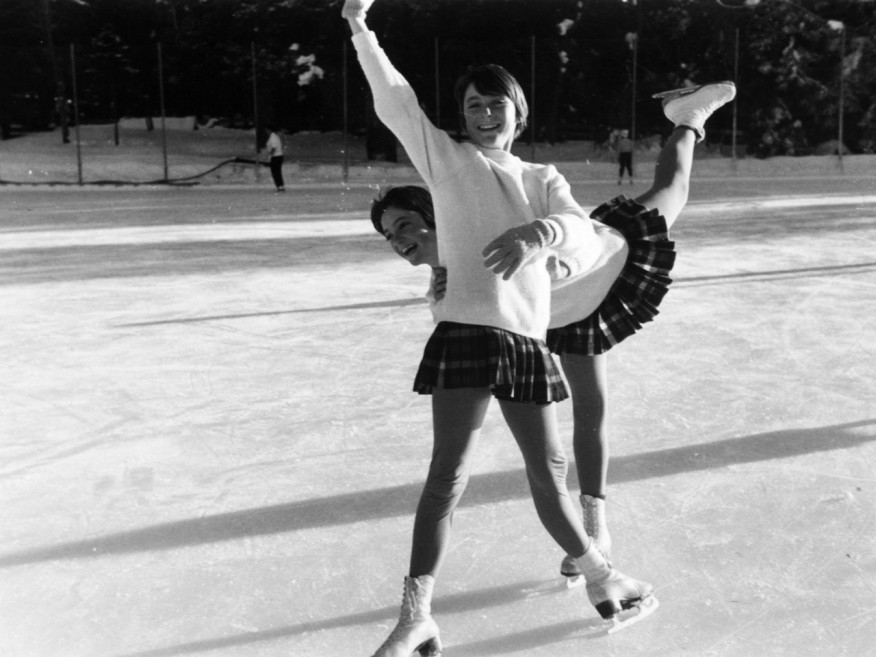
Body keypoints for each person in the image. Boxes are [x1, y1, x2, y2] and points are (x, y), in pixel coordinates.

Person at [344, 1, 661, 654]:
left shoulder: (542, 177)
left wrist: (537, 232)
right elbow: (397, 101)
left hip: (523, 343)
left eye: (494, 106)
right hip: (464, 334)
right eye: (471, 107)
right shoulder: (447, 160)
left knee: (547, 472)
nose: (482, 117)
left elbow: (582, 228)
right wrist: (359, 26)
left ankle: (602, 579)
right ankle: (415, 615)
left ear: (517, 112)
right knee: (446, 477)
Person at [371, 77, 736, 594]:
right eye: (392, 235)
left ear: (438, 219)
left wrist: (544, 246)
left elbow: (560, 242)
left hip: (599, 265)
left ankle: (688, 119)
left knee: (670, 192)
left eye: (408, 226)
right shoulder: (447, 283)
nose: (401, 241)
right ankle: (592, 540)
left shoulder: (493, 213)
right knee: (575, 418)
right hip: (547, 322)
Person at [264, 125, 285, 192]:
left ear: (269, 130)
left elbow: (273, 147)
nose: (266, 132)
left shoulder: (272, 137)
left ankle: (279, 186)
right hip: (278, 156)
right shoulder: (274, 136)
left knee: (275, 172)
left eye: (266, 130)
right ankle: (280, 186)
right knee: (277, 172)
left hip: (276, 156)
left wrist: (270, 156)